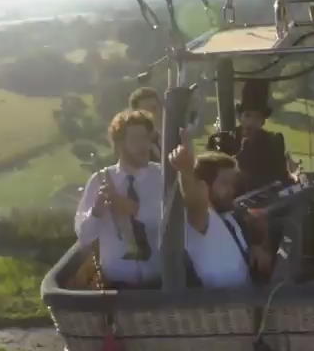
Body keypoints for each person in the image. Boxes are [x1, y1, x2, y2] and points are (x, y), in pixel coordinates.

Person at [169, 127, 274, 288]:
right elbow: (195, 200)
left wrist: (255, 249)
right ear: (205, 186)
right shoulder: (201, 221)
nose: (232, 190)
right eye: (225, 183)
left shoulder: (229, 219)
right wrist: (186, 170)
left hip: (249, 302)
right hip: (221, 308)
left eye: (232, 184)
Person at [73, 109, 164, 287]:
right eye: (136, 139)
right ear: (119, 144)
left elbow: (174, 222)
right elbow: (84, 236)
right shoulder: (99, 180)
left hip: (159, 283)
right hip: (116, 286)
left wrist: (134, 209)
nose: (144, 146)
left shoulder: (162, 176)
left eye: (146, 138)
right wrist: (96, 212)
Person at [208, 78, 294, 194]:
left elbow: (281, 180)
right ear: (240, 117)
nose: (251, 122)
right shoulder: (221, 142)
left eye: (257, 117)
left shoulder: (273, 143)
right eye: (247, 116)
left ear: (263, 121)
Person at [129, 86, 164, 163]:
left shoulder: (174, 136)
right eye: (145, 111)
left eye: (154, 108)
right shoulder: (132, 145)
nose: (151, 114)